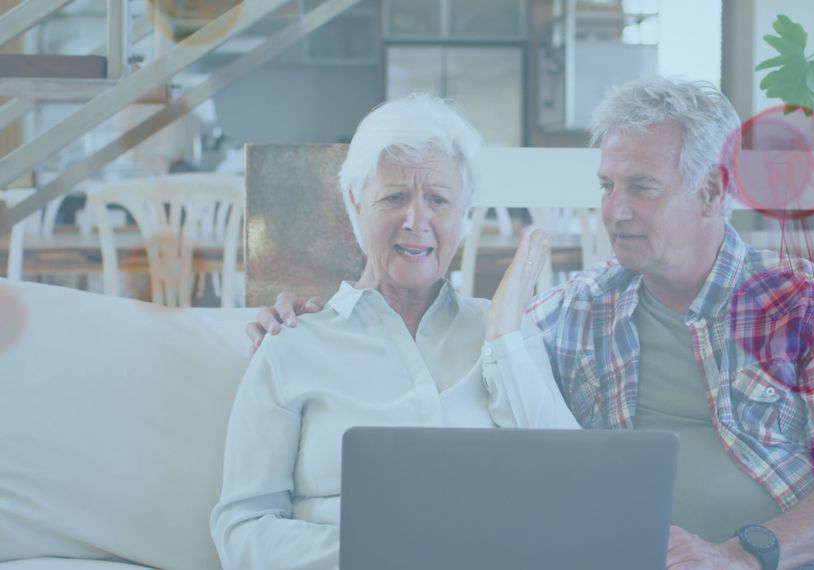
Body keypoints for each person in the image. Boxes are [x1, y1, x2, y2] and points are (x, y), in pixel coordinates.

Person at [251, 78, 814, 570]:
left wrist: (744, 555)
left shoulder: (808, 304)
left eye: (641, 187)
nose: (614, 211)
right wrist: (304, 317)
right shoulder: (579, 310)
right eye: (607, 185)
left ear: (710, 191)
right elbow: (454, 338)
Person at [212, 94, 579, 570]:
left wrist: (506, 333)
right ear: (354, 203)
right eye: (394, 197)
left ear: (463, 214)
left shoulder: (503, 334)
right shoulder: (292, 343)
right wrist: (373, 557)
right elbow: (242, 528)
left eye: (439, 200)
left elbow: (570, 485)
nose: (416, 221)